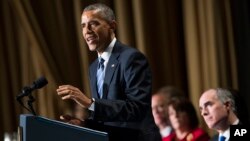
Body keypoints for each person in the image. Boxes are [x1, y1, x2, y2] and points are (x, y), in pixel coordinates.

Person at [56, 3, 161, 141]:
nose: (87, 31)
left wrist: (89, 103)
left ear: (112, 26)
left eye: (93, 24)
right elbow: (107, 118)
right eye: (83, 25)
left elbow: (137, 108)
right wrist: (84, 124)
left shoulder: (131, 58)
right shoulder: (93, 68)